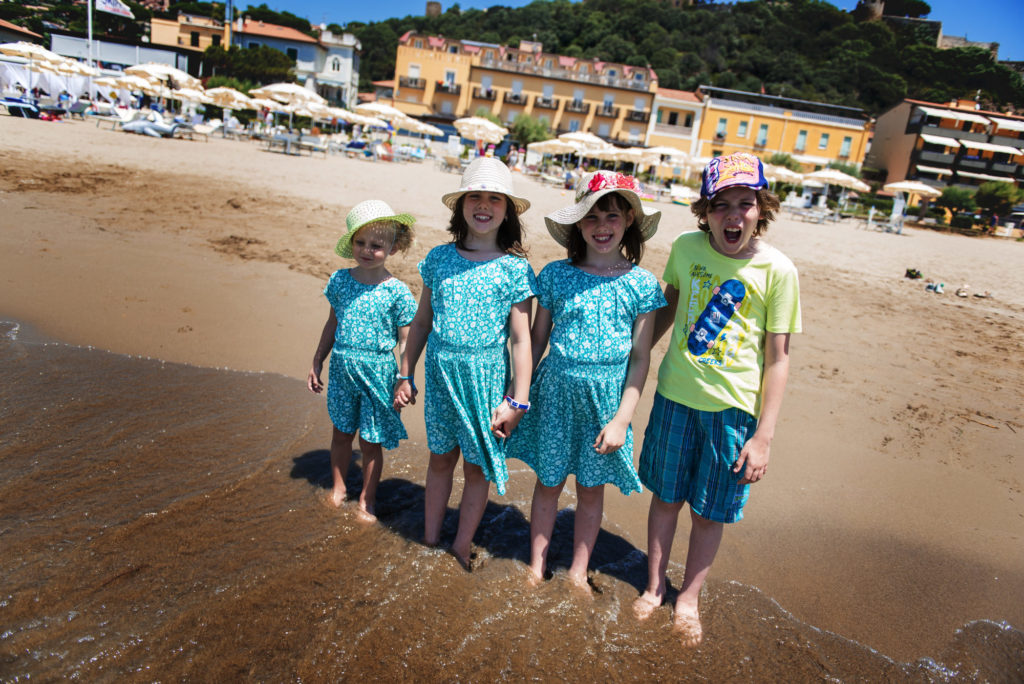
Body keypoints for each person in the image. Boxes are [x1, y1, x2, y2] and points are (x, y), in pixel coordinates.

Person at [632, 152, 801, 646]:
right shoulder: (686, 248)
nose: (733, 215)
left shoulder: (778, 270)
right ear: (704, 211)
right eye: (721, 204)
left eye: (745, 204)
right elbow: (668, 306)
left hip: (733, 415)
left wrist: (764, 436)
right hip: (675, 397)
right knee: (666, 499)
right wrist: (634, 356)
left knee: (709, 512)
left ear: (761, 208)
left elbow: (779, 358)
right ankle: (655, 586)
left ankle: (689, 599)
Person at [508, 171, 666, 588]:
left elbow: (640, 358)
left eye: (612, 216)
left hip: (607, 402)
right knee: (549, 482)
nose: (602, 226)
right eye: (592, 217)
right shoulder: (557, 275)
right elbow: (536, 340)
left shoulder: (641, 284)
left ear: (629, 220)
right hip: (554, 394)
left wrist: (621, 419)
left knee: (591, 489)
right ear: (578, 223)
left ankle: (578, 571)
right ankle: (536, 565)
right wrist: (515, 397)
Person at [394, 158, 536, 569]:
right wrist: (405, 372)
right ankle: (430, 535)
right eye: (475, 195)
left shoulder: (514, 268)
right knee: (439, 459)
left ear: (506, 210)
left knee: (476, 469)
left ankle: (461, 543)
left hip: (487, 382)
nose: (484, 205)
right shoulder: (439, 259)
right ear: (461, 205)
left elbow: (521, 340)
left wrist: (518, 401)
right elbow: (421, 323)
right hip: (440, 377)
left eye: (495, 198)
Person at [307, 200, 417, 522]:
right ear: (351, 243)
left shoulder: (397, 291)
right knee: (341, 432)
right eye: (360, 243)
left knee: (370, 441)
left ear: (393, 248)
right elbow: (333, 323)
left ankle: (367, 500)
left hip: (379, 373)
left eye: (376, 245)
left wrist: (405, 378)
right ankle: (339, 488)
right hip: (342, 368)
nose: (367, 250)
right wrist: (317, 360)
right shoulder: (340, 280)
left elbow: (406, 338)